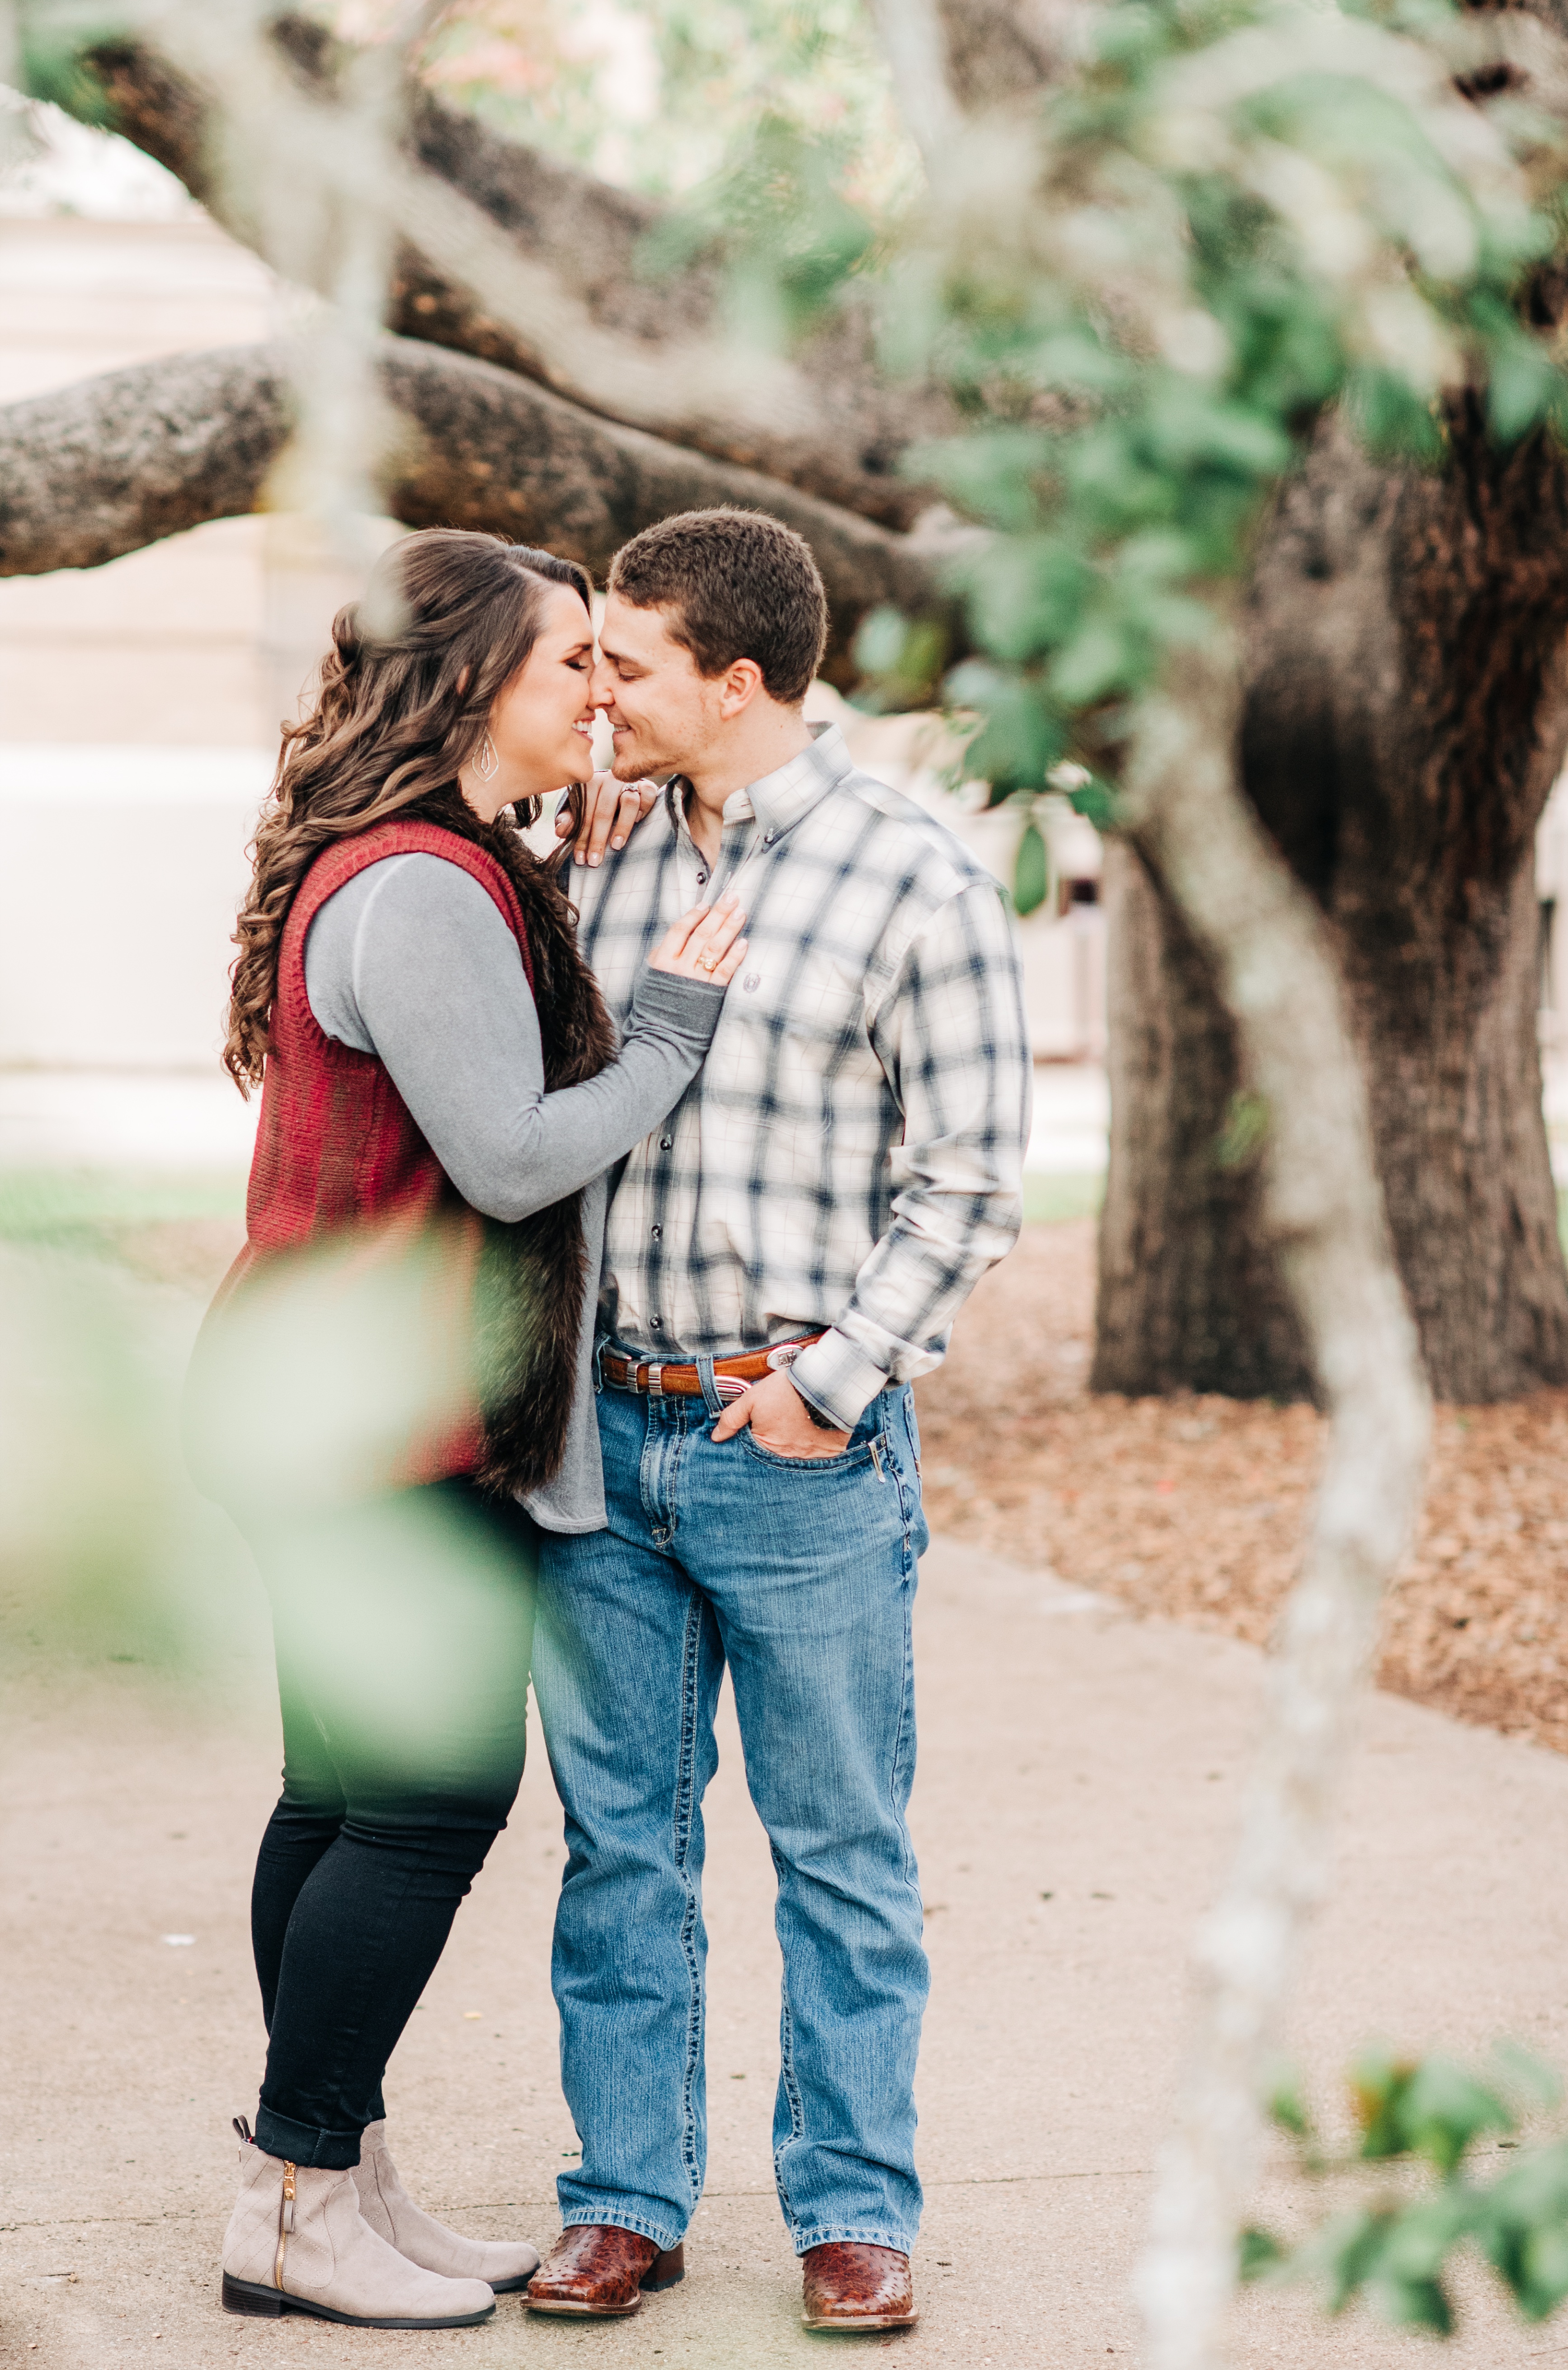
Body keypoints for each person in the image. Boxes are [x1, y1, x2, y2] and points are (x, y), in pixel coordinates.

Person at [184, 527, 748, 2333]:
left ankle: (328, 2174)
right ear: (470, 681)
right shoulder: (420, 883)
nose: (601, 689)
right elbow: (509, 1154)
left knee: (343, 1798)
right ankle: (293, 2188)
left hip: (325, 1396)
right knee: (428, 1805)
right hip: (378, 1423)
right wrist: (671, 1030)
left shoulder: (438, 866)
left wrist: (564, 885)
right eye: (570, 659)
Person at [525, 509, 1031, 2332]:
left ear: (732, 683)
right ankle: (622, 2203)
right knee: (619, 1853)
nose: (593, 695)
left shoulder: (913, 878)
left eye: (625, 666)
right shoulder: (584, 858)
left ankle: (849, 2212)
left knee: (835, 1851)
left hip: (792, 1446)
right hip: (603, 1436)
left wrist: (827, 1392)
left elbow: (969, 1185)